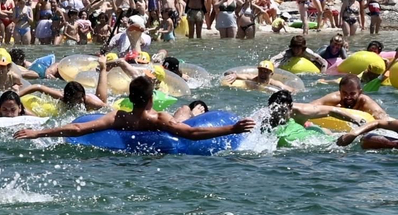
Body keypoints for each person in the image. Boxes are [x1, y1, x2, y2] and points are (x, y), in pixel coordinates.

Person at [14, 75, 254, 142]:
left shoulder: (118, 117)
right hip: (171, 129)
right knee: (184, 111)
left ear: (130, 98)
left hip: (130, 128)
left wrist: (37, 133)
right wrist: (231, 128)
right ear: (151, 99)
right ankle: (196, 110)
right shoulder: (159, 118)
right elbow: (190, 134)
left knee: (181, 113)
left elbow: (78, 128)